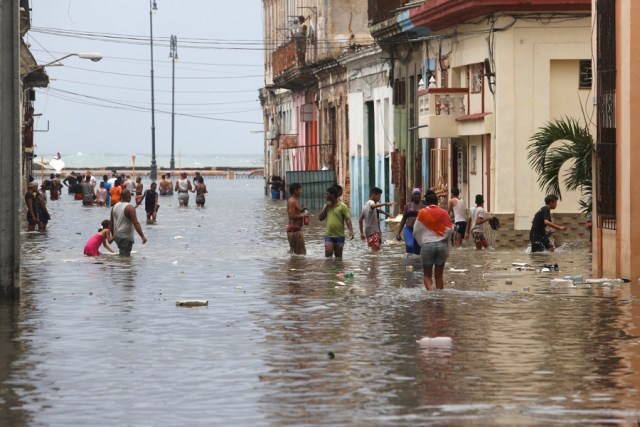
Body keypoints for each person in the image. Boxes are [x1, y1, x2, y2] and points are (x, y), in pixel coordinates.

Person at [413, 190, 453, 291]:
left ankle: (431, 296)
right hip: (442, 246)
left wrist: (422, 242)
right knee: (439, 277)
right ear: (437, 202)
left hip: (427, 246)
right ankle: (439, 299)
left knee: (427, 276)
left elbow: (415, 231)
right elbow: (449, 230)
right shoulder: (443, 212)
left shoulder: (422, 213)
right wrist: (442, 237)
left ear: (425, 202)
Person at [319, 185, 354, 258]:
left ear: (332, 195)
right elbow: (320, 218)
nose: (326, 196)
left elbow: (347, 219)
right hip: (329, 235)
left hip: (339, 236)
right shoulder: (326, 206)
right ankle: (329, 269)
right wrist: (326, 207)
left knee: (338, 257)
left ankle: (338, 269)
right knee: (328, 255)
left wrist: (351, 230)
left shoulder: (342, 206)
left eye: (327, 194)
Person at [109, 190, 147, 256]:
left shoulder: (114, 206)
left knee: (122, 255)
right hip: (125, 237)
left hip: (117, 236)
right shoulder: (130, 208)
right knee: (125, 259)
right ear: (129, 197)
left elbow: (111, 223)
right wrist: (142, 236)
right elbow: (136, 223)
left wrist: (113, 236)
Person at [359, 187, 393, 253]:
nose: (379, 198)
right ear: (374, 195)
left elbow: (360, 220)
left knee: (377, 249)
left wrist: (361, 233)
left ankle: (374, 262)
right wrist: (385, 204)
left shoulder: (365, 205)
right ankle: (373, 263)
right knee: (374, 250)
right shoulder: (371, 203)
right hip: (373, 231)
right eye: (379, 196)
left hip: (368, 231)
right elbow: (373, 206)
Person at [396, 188, 426, 255]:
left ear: (420, 195)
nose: (416, 196)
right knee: (410, 245)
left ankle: (414, 264)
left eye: (418, 194)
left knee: (418, 251)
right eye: (415, 194)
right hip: (409, 229)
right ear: (412, 196)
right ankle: (408, 261)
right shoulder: (408, 206)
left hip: (419, 231)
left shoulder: (424, 207)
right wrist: (398, 232)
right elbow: (403, 219)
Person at [286, 182, 308, 255]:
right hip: (294, 232)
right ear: (295, 191)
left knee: (297, 255)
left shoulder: (295, 200)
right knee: (301, 254)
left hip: (295, 231)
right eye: (300, 190)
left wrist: (302, 210)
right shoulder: (292, 201)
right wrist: (303, 215)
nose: (301, 192)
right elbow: (291, 216)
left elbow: (296, 213)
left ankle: (294, 266)